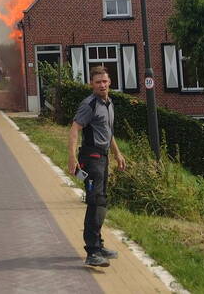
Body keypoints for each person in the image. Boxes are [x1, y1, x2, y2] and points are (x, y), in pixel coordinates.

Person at [67, 65, 126, 268]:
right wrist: (71, 157)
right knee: (95, 201)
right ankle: (92, 252)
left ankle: (98, 245)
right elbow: (75, 128)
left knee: (101, 201)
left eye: (105, 81)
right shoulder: (89, 104)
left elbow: (108, 132)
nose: (102, 85)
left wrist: (117, 153)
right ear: (91, 84)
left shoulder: (109, 103)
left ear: (110, 82)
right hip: (91, 157)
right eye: (98, 82)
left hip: (103, 157)